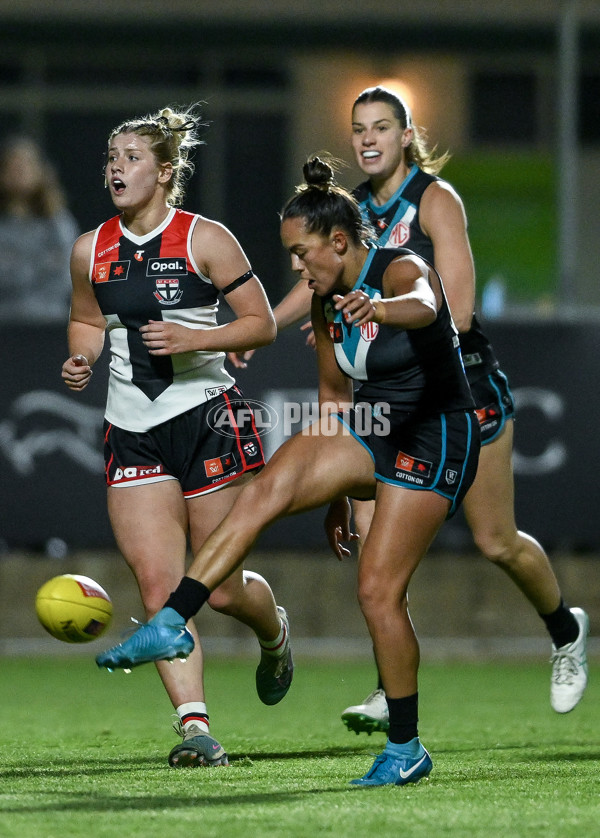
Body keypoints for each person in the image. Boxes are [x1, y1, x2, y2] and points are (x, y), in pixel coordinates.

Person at [95, 155, 481, 788]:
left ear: (337, 241)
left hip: (436, 432)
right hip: (373, 422)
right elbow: (333, 400)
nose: (297, 269)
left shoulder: (397, 267)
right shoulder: (330, 302)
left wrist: (379, 309)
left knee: (377, 590)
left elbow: (425, 304)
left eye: (303, 255)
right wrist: (332, 492)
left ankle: (407, 746)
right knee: (269, 485)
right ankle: (171, 622)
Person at [235, 85, 590, 731]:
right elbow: (310, 287)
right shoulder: (349, 213)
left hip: (461, 388)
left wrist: (375, 317)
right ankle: (387, 689)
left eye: (381, 127)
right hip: (391, 402)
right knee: (376, 556)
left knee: (496, 540)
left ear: (406, 135)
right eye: (358, 128)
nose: (368, 138)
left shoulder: (435, 199)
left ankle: (565, 632)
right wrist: (258, 330)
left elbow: (455, 309)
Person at [61, 105, 293, 769]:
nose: (116, 168)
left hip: (206, 417)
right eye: (111, 157)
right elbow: (85, 320)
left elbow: (261, 324)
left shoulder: (205, 239)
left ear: (164, 172)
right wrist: (82, 356)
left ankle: (274, 631)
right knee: (159, 582)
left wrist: (199, 337)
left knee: (218, 589)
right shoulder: (90, 249)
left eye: (131, 157)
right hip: (131, 426)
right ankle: (196, 729)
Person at [0, 134, 79, 323]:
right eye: (12, 166)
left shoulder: (59, 224)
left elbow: (66, 276)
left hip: (48, 323)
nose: (19, 172)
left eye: (26, 165)